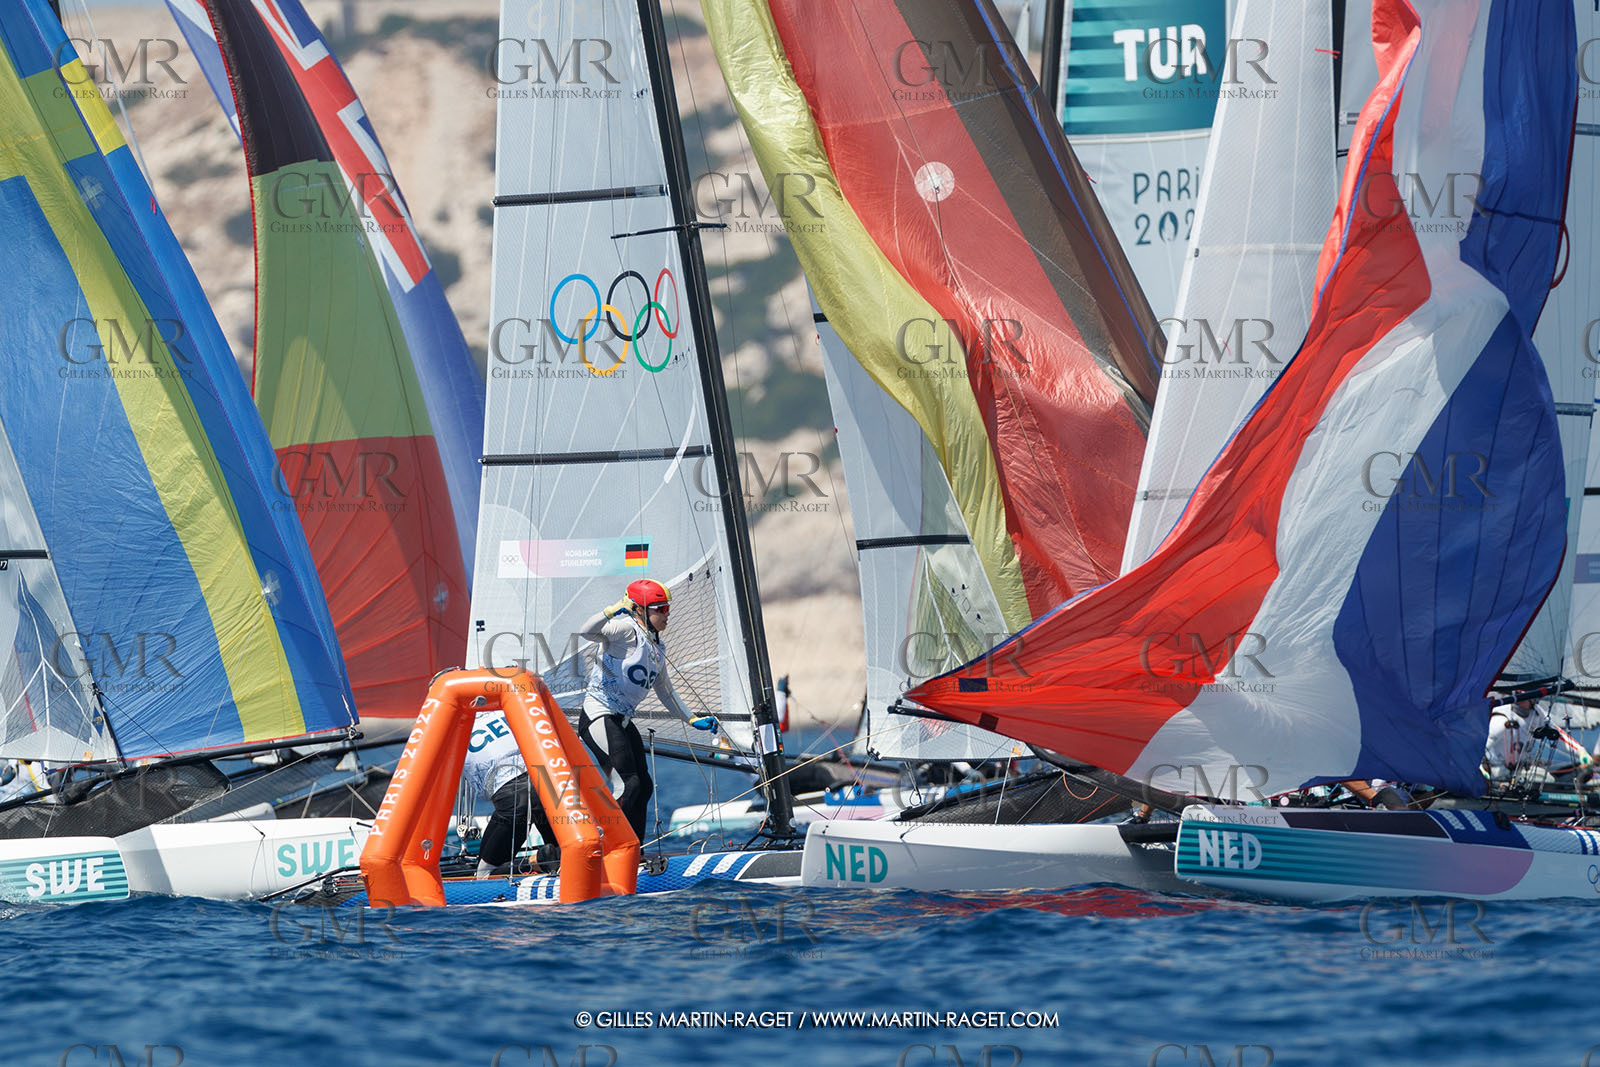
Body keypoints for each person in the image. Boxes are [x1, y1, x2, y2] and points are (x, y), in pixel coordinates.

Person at [576, 578, 718, 840]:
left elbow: (666, 692)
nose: (667, 614)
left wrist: (692, 719)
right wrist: (612, 610)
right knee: (627, 784)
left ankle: (634, 850)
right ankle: (604, 846)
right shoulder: (625, 631)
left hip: (622, 721)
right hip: (599, 716)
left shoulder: (657, 647)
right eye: (660, 609)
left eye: (667, 608)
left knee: (644, 786)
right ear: (639, 609)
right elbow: (586, 631)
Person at [461, 708, 558, 878]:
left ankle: (536, 860)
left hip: (512, 798)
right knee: (562, 853)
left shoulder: (454, 729)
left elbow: (482, 792)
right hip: (550, 783)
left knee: (484, 874)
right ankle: (550, 859)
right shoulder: (506, 710)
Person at [1483, 697, 1593, 783]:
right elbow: (1477, 748)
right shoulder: (1501, 721)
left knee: (1549, 781)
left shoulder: (1537, 714)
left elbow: (1557, 735)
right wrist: (1480, 770)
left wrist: (1580, 751)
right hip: (1496, 773)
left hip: (1520, 771)